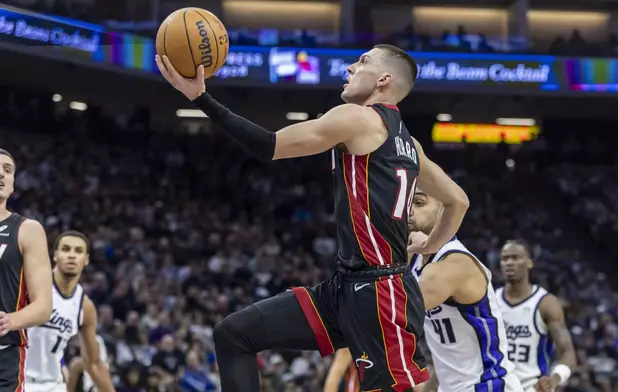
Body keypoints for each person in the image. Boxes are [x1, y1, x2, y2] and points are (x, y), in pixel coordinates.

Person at [156, 43, 470, 392]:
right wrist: (429, 246)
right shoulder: (409, 143)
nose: (350, 66)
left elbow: (269, 145)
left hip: (381, 294)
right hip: (344, 288)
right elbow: (457, 200)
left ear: (383, 80)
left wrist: (202, 98)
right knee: (234, 334)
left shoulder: (358, 117)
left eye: (362, 61)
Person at [409, 191, 523, 392]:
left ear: (445, 210)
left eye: (419, 203)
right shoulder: (417, 261)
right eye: (406, 203)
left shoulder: (454, 265)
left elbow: (388, 313)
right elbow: (449, 353)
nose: (408, 211)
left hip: (488, 386)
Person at [24, 231, 114, 392]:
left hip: (53, 385)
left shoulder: (84, 306)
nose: (72, 255)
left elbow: (93, 363)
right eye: (65, 249)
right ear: (55, 255)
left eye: (78, 251)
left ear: (86, 259)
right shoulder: (29, 285)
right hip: (16, 379)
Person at [0, 148, 53, 392]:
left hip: (5, 354)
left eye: (7, 170)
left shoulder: (27, 229)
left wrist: (9, 320)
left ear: (12, 185)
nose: (1, 173)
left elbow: (43, 306)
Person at [496, 240, 577, 392]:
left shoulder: (545, 303)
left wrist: (555, 378)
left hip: (530, 387)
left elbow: (568, 352)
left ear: (529, 263)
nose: (509, 263)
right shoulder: (490, 300)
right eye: (505, 258)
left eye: (515, 258)